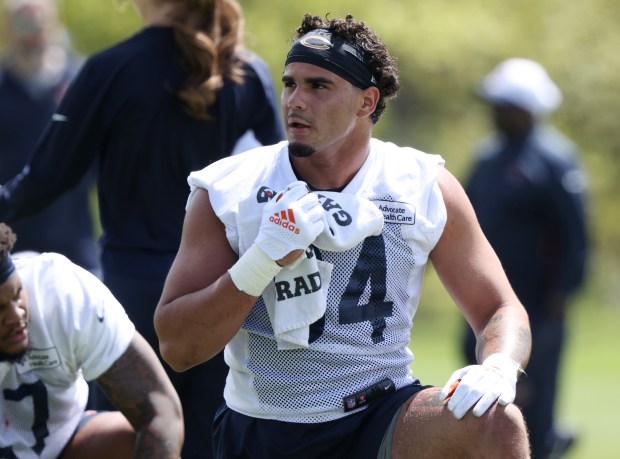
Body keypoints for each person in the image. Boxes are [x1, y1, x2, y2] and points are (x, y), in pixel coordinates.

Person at [154, 14, 533, 458]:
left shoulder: (420, 183)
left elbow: (499, 307)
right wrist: (261, 260)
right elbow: (178, 347)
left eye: (318, 86)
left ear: (366, 102)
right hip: (266, 427)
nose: (296, 100)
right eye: (290, 83)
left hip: (382, 412)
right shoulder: (230, 189)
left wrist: (500, 367)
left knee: (495, 422)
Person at [0, 0, 284, 457]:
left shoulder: (110, 69)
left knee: (148, 437)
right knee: (213, 443)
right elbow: (278, 188)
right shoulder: (246, 72)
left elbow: (47, 178)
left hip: (135, 299)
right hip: (223, 297)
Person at [461, 58, 589, 459]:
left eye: (502, 105)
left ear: (525, 109)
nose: (494, 113)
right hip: (483, 300)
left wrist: (563, 292)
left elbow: (574, 234)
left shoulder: (554, 160)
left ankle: (544, 446)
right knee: (480, 380)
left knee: (534, 396)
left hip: (536, 301)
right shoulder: (487, 158)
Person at [0, 222, 183, 458]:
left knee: (127, 439)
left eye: (17, 294)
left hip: (61, 443)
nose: (16, 315)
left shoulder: (60, 292)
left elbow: (159, 410)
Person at [0, 0, 100, 276]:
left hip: (75, 236)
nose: (31, 33)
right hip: (11, 237)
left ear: (55, 24)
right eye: (23, 23)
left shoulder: (81, 80)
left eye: (38, 21)